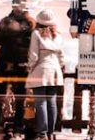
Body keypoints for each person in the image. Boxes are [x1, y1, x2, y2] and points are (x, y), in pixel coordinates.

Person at [0, 0, 35, 139]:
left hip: (20, 64)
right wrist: (10, 34)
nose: (20, 7)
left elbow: (34, 44)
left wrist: (11, 34)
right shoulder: (7, 21)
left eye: (22, 4)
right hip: (7, 63)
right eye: (17, 4)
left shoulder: (29, 23)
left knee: (19, 100)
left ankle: (17, 131)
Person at [26, 11, 64, 140]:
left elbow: (34, 56)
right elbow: (61, 57)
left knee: (40, 102)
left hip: (40, 71)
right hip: (55, 71)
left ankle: (42, 133)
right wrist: (59, 67)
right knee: (52, 103)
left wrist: (29, 67)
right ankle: (51, 133)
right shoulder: (58, 36)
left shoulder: (36, 34)